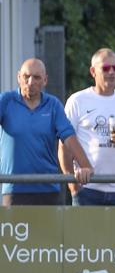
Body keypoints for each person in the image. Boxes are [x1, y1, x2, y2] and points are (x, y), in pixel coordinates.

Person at [0, 59, 93, 205]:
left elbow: (68, 136)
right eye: (26, 76)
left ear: (45, 80)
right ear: (19, 77)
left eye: (36, 77)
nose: (30, 82)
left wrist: (86, 166)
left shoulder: (53, 105)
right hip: (14, 189)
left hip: (48, 188)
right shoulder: (6, 101)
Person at [60, 49, 115, 206]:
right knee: (84, 232)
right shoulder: (77, 100)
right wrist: (73, 185)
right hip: (87, 188)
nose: (111, 72)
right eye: (105, 68)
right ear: (93, 71)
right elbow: (64, 146)